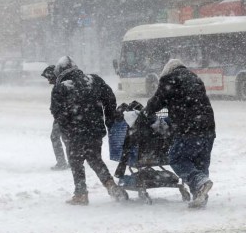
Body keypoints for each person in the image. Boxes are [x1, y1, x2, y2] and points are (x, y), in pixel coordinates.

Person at [51, 56, 128, 205]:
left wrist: (67, 127)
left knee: (76, 162)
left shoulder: (61, 87)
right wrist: (109, 119)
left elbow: (57, 112)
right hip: (95, 129)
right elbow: (110, 98)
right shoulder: (94, 80)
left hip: (75, 132)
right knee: (94, 159)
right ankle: (111, 186)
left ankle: (81, 194)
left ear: (60, 72)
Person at [144, 58, 215, 209]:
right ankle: (200, 195)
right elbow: (191, 103)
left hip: (189, 128)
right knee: (200, 162)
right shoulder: (195, 78)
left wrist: (145, 112)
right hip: (208, 128)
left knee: (176, 158)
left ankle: (199, 183)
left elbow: (156, 103)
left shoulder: (169, 79)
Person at [41, 65, 68, 170]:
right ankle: (72, 160)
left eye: (49, 78)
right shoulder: (62, 85)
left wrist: (58, 114)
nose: (48, 81)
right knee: (66, 139)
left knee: (56, 137)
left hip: (62, 118)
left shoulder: (60, 86)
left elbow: (60, 105)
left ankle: (62, 162)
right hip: (63, 117)